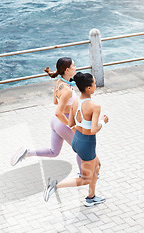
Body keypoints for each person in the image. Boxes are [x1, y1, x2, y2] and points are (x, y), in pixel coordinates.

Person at [43, 72, 108, 207]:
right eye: (94, 84)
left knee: (97, 166)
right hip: (87, 144)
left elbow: (71, 123)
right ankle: (56, 187)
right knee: (85, 178)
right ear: (88, 88)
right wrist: (103, 121)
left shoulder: (76, 101)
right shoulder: (95, 106)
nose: (96, 85)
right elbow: (94, 130)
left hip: (77, 140)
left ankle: (91, 196)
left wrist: (81, 130)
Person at [10, 57, 82, 174]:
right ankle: (83, 175)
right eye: (74, 65)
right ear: (67, 70)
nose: (76, 67)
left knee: (54, 152)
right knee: (82, 150)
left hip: (55, 122)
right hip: (64, 122)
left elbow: (55, 102)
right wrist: (71, 125)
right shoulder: (67, 90)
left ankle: (27, 152)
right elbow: (58, 112)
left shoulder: (59, 83)